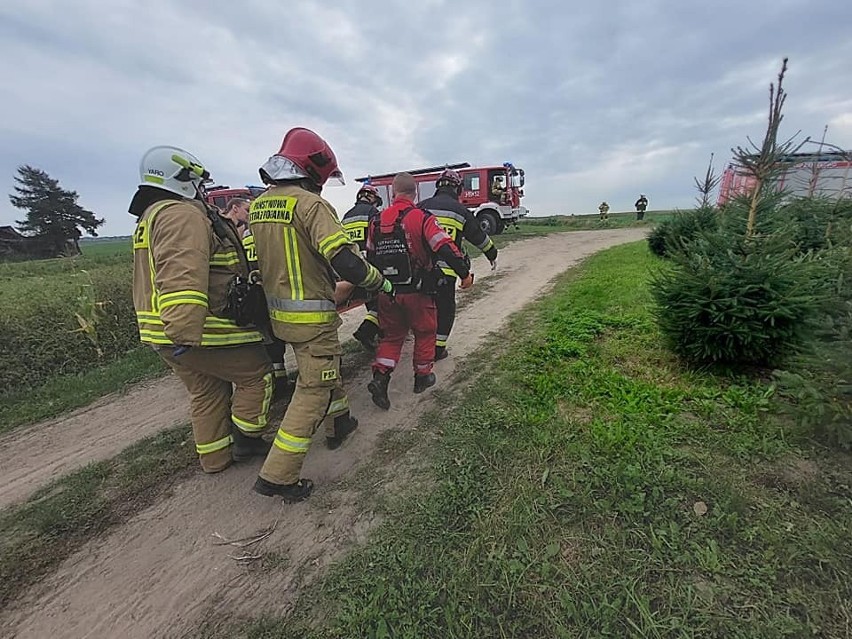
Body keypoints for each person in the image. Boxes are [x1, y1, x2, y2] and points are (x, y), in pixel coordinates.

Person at [248, 127, 393, 503]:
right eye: (325, 179)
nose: (324, 186)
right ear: (312, 171)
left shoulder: (260, 205)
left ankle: (341, 421)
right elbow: (344, 259)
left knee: (324, 370)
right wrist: (377, 282)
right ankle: (278, 476)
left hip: (280, 317)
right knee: (313, 388)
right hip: (312, 318)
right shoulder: (310, 205)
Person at [129, 146, 274, 474]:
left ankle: (214, 458)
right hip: (197, 329)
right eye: (197, 182)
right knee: (257, 376)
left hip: (161, 332)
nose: (203, 190)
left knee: (207, 391)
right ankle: (248, 438)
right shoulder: (182, 214)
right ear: (180, 178)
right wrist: (185, 328)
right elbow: (182, 271)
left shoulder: (150, 216)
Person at [366, 173, 473, 410]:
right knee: (426, 332)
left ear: (393, 193)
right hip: (418, 292)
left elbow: (371, 257)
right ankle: (422, 377)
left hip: (387, 292)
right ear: (415, 193)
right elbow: (445, 247)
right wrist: (464, 273)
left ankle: (380, 377)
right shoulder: (422, 218)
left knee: (392, 337)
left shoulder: (375, 221)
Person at [418, 168, 498, 360]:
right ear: (458, 189)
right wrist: (492, 254)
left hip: (420, 271)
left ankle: (420, 345)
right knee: (445, 310)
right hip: (447, 271)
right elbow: (478, 237)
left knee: (422, 309)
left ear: (438, 187)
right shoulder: (460, 211)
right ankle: (438, 349)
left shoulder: (420, 207)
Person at [226, 195, 291, 398]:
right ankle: (277, 380)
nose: (249, 214)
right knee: (272, 338)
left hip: (256, 294)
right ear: (235, 208)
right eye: (246, 209)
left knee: (269, 339)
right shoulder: (257, 234)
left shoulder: (244, 234)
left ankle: (278, 378)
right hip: (263, 294)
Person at [341, 184, 383, 351]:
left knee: (370, 301)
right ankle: (366, 331)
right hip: (370, 266)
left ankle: (375, 332)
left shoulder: (346, 216)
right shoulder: (373, 213)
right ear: (372, 198)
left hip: (350, 268)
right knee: (383, 302)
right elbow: (377, 239)